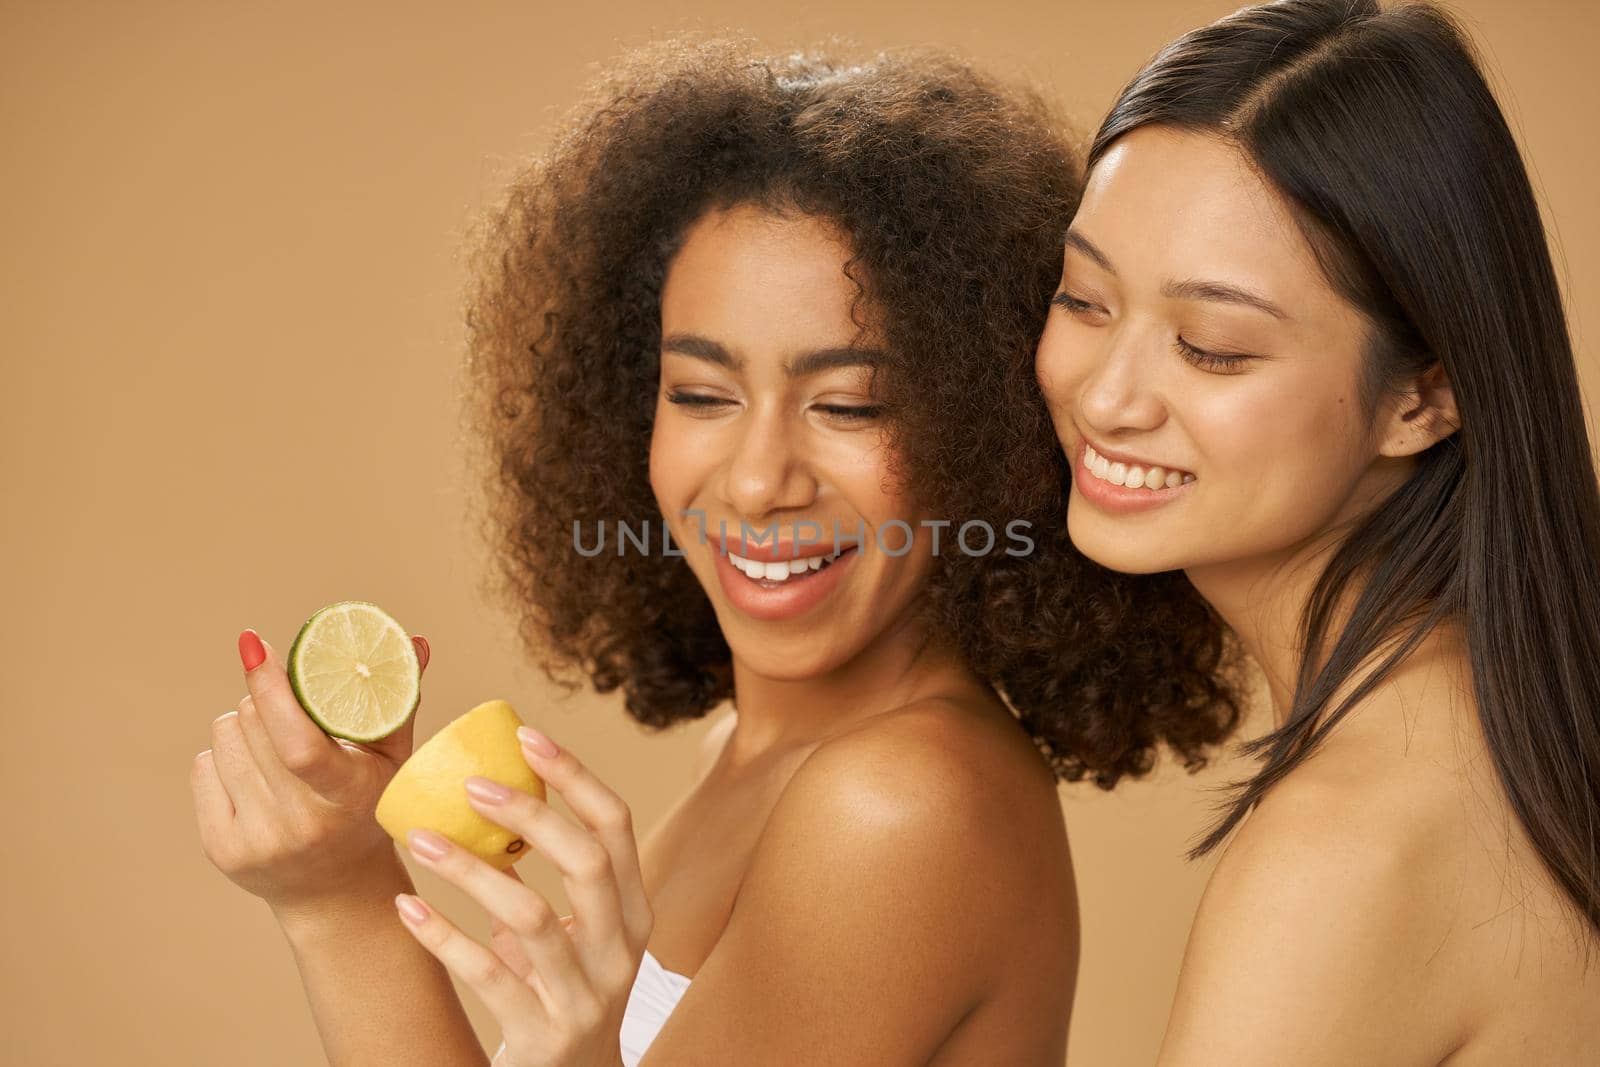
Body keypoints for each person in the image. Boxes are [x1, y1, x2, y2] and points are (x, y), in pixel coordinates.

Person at [191, 38, 1247, 1066]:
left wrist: (343, 907)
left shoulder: (899, 805)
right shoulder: (754, 754)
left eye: (849, 404)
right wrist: (341, 881)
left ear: (989, 437)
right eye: (700, 393)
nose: (753, 480)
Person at [1034, 0, 1600, 1061]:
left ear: (1422, 398)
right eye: (1083, 298)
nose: (1108, 397)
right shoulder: (1485, 715)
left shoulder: (1349, 840)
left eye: (1209, 347)